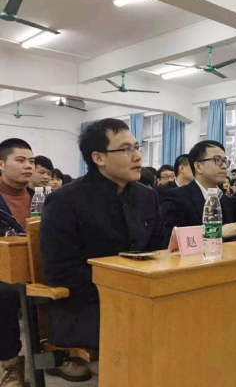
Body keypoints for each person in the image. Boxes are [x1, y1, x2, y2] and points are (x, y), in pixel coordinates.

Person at [40, 119, 165, 382]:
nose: (137, 156)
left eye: (137, 147)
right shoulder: (64, 201)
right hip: (86, 304)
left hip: (141, 295)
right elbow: (60, 271)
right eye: (126, 149)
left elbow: (159, 250)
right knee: (152, 329)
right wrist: (122, 288)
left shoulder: (147, 196)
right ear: (98, 158)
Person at [162, 140, 236, 245]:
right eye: (217, 160)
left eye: (225, 161)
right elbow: (172, 239)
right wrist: (217, 232)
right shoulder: (176, 197)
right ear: (198, 166)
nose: (224, 166)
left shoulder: (226, 200)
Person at [0, 138, 35, 387]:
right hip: (3, 270)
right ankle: (10, 363)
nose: (28, 166)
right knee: (4, 293)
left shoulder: (45, 198)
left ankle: (62, 352)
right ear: (1, 164)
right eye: (20, 160)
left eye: (31, 161)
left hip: (40, 264)